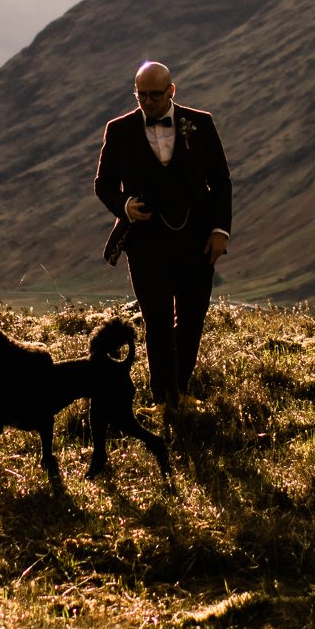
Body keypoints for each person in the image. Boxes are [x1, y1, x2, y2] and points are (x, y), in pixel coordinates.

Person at [92, 59, 230, 405]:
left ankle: (181, 389)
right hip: (145, 242)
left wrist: (220, 230)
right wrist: (124, 206)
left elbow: (221, 181)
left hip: (197, 239)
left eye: (155, 95)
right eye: (142, 96)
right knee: (155, 319)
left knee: (193, 315)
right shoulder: (119, 129)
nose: (149, 102)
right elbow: (104, 183)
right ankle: (165, 396)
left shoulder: (200, 124)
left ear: (172, 91)